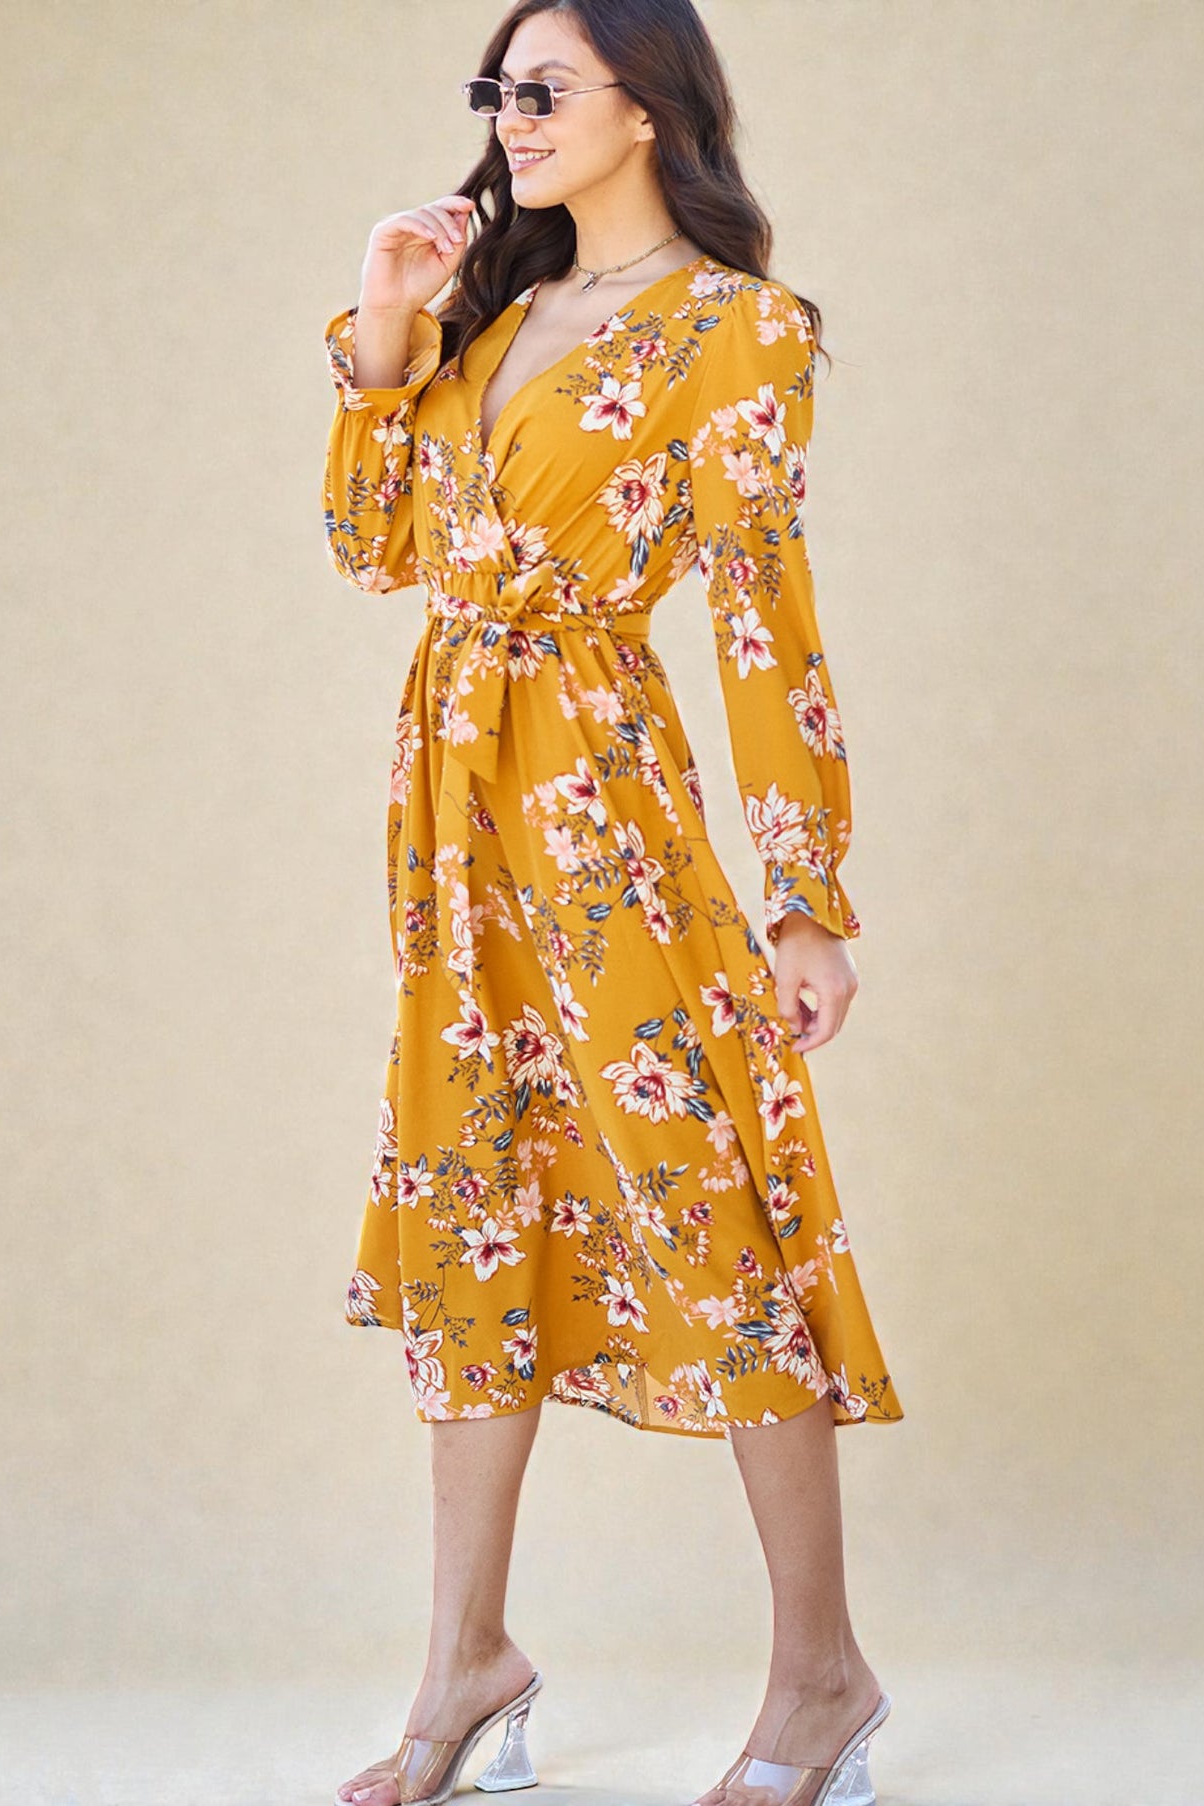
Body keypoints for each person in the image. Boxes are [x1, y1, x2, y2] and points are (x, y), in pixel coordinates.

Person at [322, 4, 904, 1803]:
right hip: (453, 808)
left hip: (600, 793)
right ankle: (461, 1666)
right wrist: (393, 319)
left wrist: (805, 896)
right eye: (493, 91)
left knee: (705, 1191)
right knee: (468, 1196)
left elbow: (758, 607)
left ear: (643, 110)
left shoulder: (736, 333)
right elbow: (377, 549)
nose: (508, 119)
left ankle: (818, 1675)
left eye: (542, 88)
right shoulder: (490, 318)